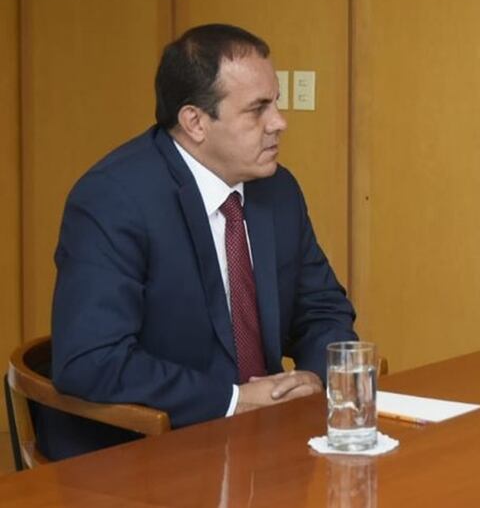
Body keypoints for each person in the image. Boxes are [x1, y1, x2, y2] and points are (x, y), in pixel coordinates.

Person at [45, 24, 358, 460]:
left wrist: (312, 378)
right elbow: (91, 360)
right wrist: (232, 401)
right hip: (146, 455)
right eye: (257, 109)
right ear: (194, 121)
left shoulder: (277, 190)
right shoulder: (113, 200)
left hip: (263, 450)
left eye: (277, 103)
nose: (280, 123)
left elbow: (324, 309)